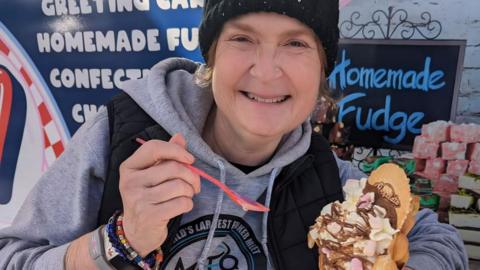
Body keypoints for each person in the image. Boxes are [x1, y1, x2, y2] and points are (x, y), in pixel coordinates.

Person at [0, 0, 468, 269]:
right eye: (242, 39)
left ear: (323, 68)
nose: (266, 72)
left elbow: (443, 243)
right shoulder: (122, 138)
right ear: (212, 57)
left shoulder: (334, 182)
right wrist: (117, 241)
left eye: (296, 43)